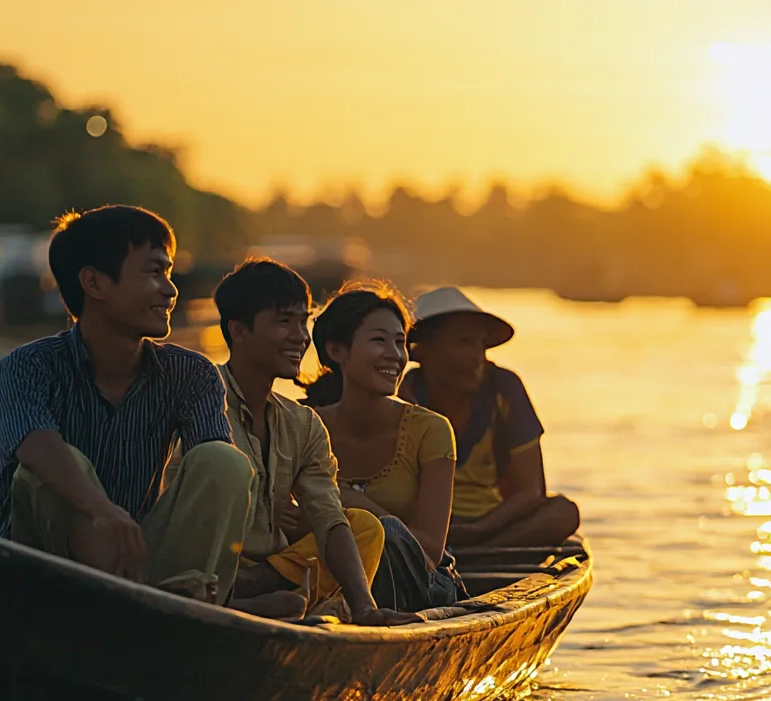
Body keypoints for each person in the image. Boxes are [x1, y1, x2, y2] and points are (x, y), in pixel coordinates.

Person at [0, 206, 272, 613]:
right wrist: (100, 509)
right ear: (94, 283)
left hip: (137, 566)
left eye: (169, 274)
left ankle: (181, 604)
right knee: (51, 467)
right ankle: (147, 601)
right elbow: (34, 444)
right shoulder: (28, 366)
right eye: (154, 272)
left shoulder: (191, 374)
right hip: (37, 568)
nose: (170, 290)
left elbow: (215, 478)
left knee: (225, 462)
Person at [209, 259, 418, 626]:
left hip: (271, 570)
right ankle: (232, 594)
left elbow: (327, 515)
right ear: (239, 331)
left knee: (365, 527)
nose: (301, 337)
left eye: (303, 321)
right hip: (203, 565)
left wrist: (365, 607)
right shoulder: (197, 398)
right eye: (284, 321)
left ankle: (256, 592)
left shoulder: (302, 423)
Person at [300, 283, 467, 612]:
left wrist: (353, 501)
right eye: (379, 340)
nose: (395, 354)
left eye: (399, 342)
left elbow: (431, 551)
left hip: (422, 586)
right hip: (327, 578)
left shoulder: (431, 429)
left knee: (387, 533)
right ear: (336, 351)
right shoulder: (303, 425)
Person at [399, 286, 580, 551]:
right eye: (464, 343)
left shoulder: (504, 388)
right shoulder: (405, 396)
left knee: (563, 513)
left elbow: (530, 491)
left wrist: (478, 530)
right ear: (424, 350)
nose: (477, 358)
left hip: (490, 523)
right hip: (424, 525)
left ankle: (476, 552)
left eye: (480, 345)